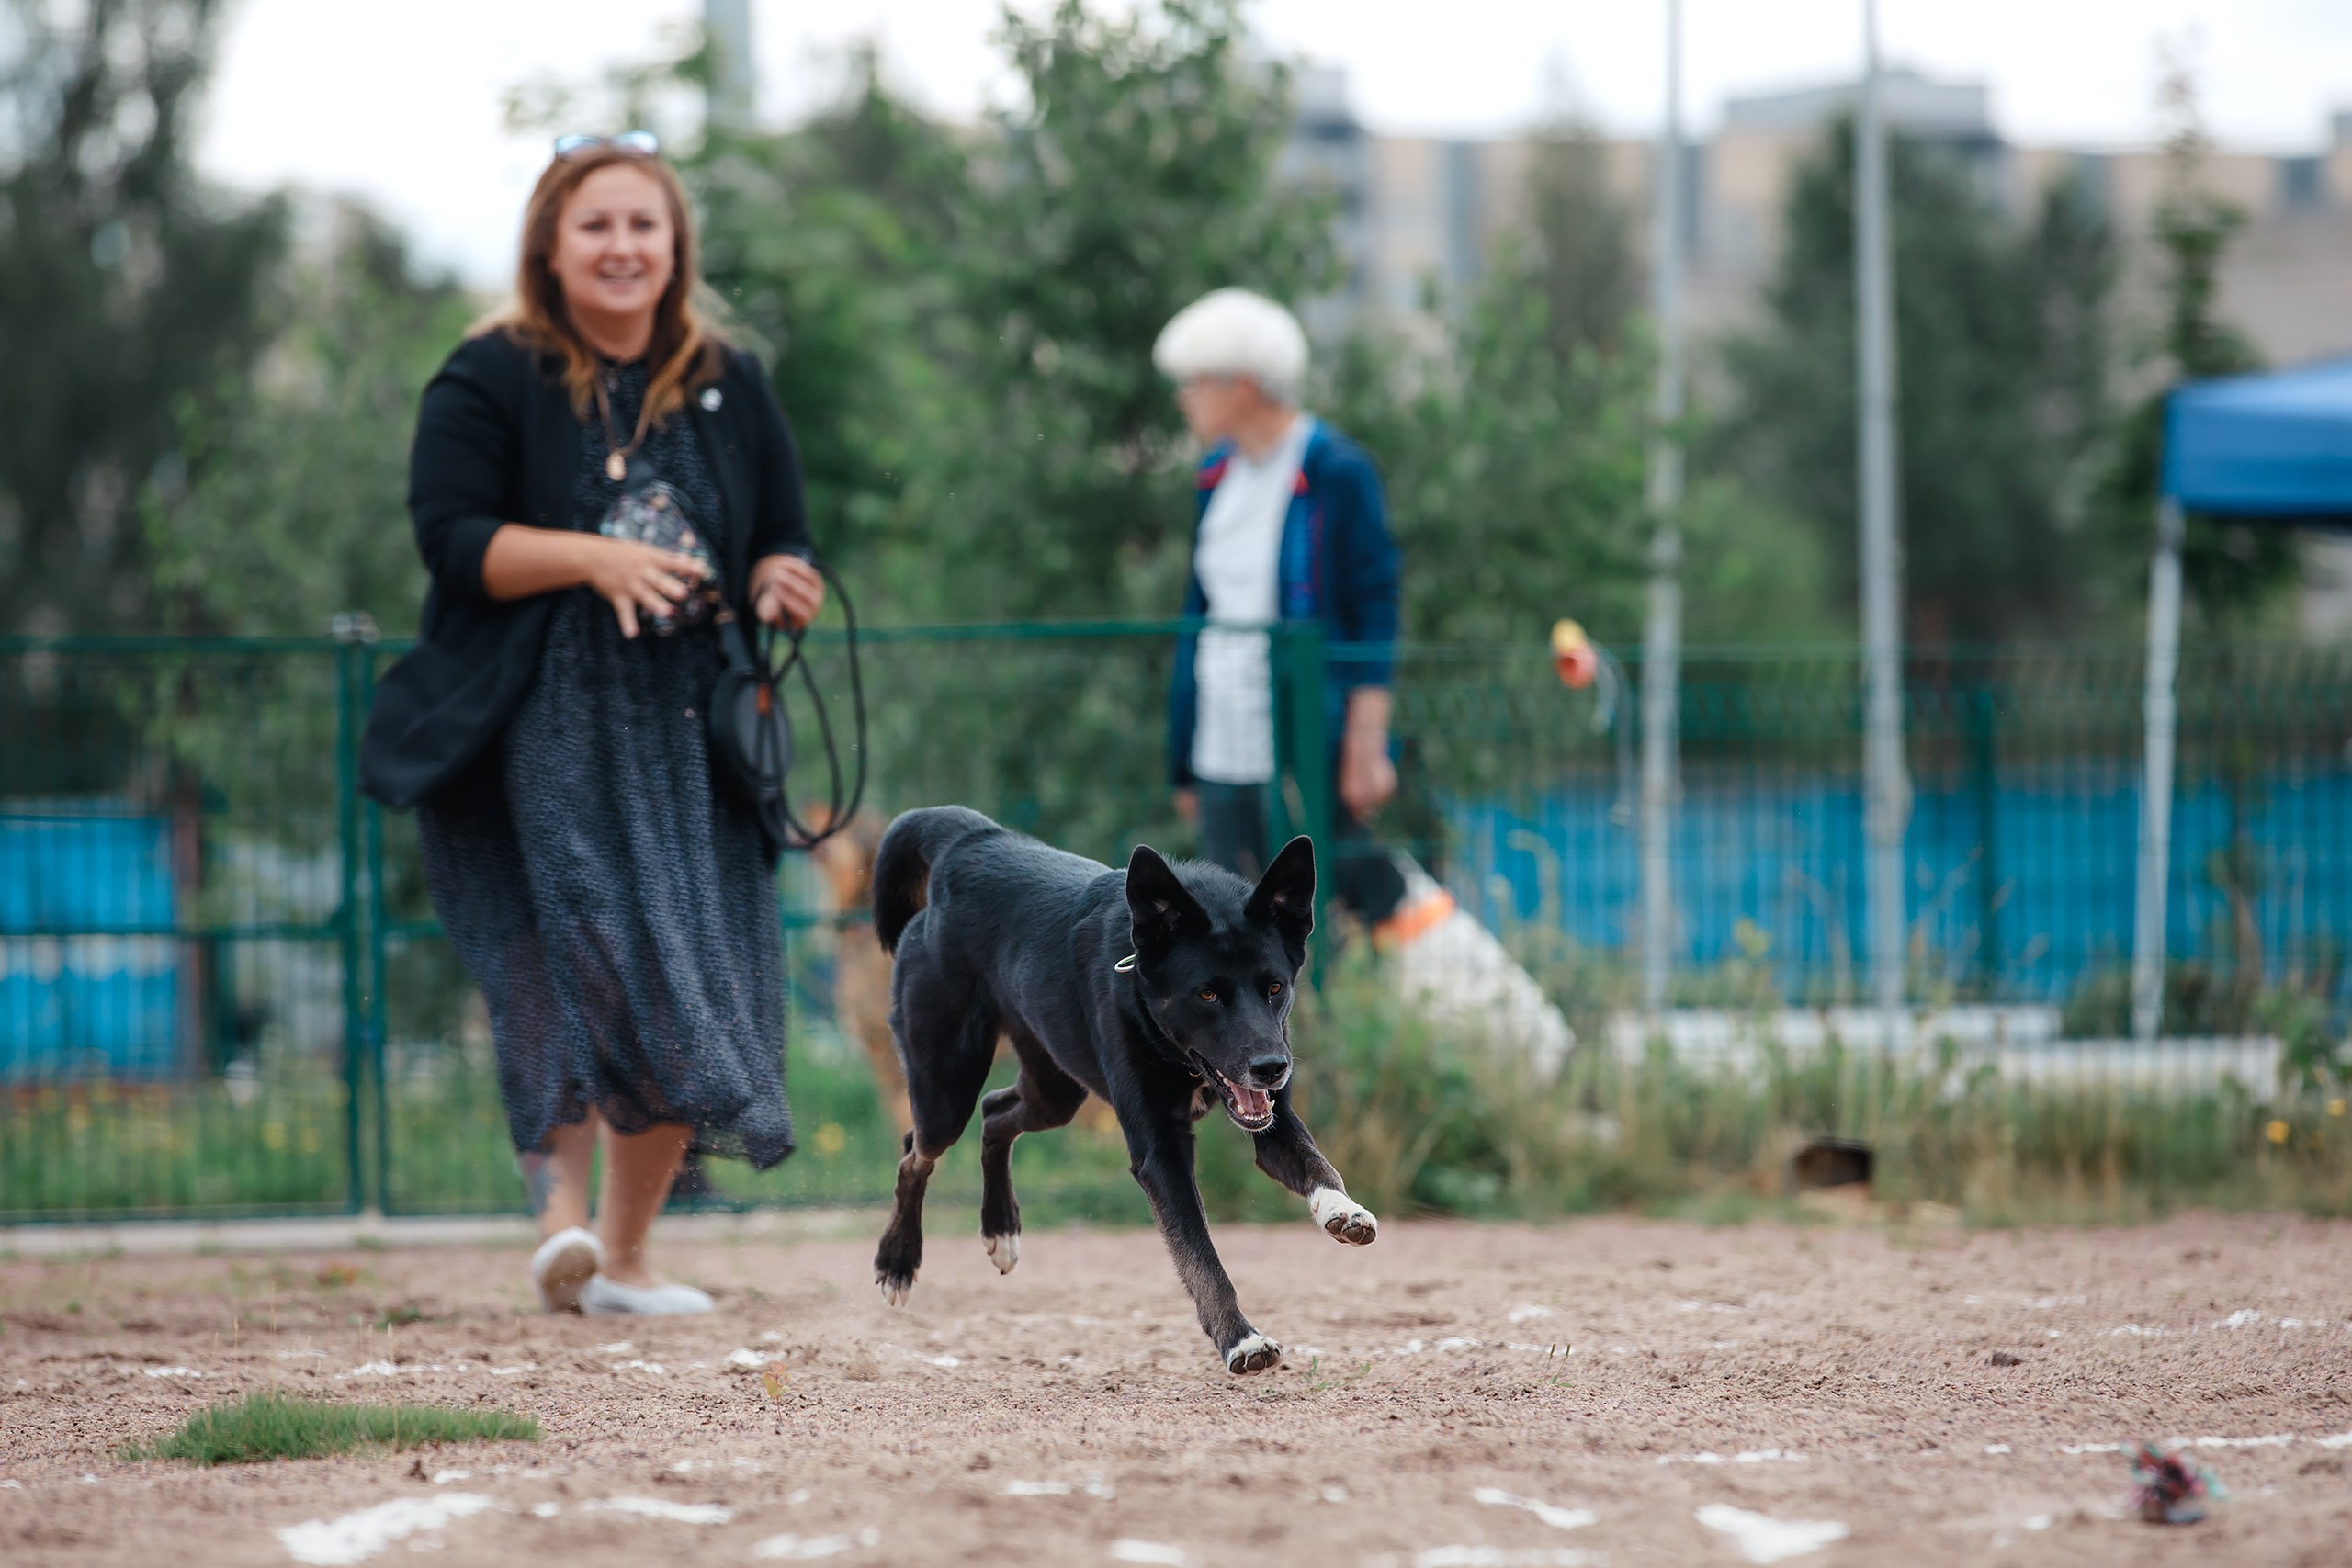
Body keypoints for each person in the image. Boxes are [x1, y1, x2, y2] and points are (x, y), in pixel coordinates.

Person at [359, 132, 824, 1314]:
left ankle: (622, 1263)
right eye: (596, 226)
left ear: (675, 247)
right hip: (534, 721)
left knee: (688, 972)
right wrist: (597, 560)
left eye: (643, 226)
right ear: (550, 247)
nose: (622, 247)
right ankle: (559, 1226)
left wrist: (781, 576)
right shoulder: (490, 373)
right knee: (572, 966)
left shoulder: (731, 376)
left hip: (690, 732)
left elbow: (779, 529)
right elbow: (455, 543)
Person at [1155, 287, 1412, 929]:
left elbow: (1375, 605)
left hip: (1301, 736)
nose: (1183, 398)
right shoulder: (1216, 475)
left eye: (1193, 383)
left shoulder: (1335, 471)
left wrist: (1365, 739)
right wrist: (1183, 754)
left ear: (1242, 386)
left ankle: (1326, 1025)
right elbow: (1201, 616)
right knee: (1223, 922)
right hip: (1223, 738)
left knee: (1311, 919)